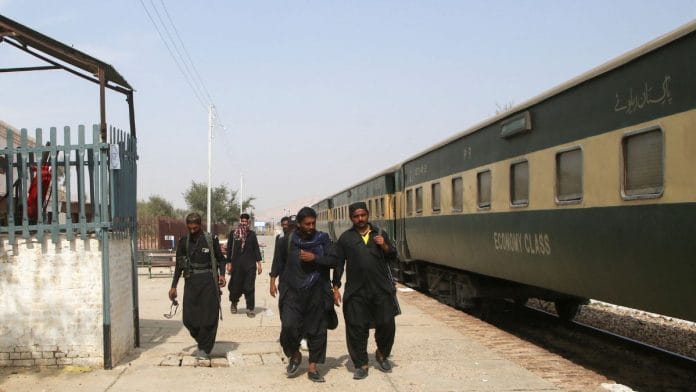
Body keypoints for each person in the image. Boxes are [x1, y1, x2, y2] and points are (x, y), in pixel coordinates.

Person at [331, 201, 400, 380]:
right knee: (356, 327)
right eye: (356, 216)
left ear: (368, 215)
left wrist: (384, 245)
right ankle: (361, 363)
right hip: (356, 291)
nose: (360, 219)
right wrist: (335, 286)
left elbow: (393, 255)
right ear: (351, 218)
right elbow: (339, 263)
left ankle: (382, 354)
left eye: (363, 215)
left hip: (381, 288)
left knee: (387, 324)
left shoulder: (380, 234)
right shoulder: (346, 238)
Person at [269, 207, 333, 383]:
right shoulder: (287, 240)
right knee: (289, 326)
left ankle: (313, 368)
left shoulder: (323, 239)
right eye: (307, 224)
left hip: (317, 291)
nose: (311, 227)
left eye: (313, 223)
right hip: (292, 291)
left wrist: (315, 258)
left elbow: (333, 260)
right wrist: (272, 280)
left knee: (317, 330)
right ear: (299, 224)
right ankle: (295, 355)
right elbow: (278, 260)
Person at [168, 212, 226, 359]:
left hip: (208, 282)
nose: (192, 231)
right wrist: (173, 286)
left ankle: (205, 349)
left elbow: (221, 260)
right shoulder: (184, 241)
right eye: (190, 228)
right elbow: (179, 266)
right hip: (191, 281)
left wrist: (222, 275)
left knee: (208, 317)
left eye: (195, 228)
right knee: (188, 319)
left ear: (200, 225)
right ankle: (202, 341)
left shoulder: (210, 239)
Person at [226, 213, 263, 317]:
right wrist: (228, 263)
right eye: (242, 221)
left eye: (246, 221)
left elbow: (256, 249)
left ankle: (250, 308)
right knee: (235, 287)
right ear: (240, 221)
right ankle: (234, 303)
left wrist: (259, 264)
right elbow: (229, 249)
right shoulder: (234, 234)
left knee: (249, 287)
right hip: (237, 266)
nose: (244, 223)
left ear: (248, 222)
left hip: (250, 266)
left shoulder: (252, 234)